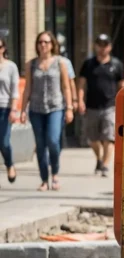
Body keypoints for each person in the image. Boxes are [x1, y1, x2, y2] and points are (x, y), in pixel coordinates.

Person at [20, 31, 74, 191]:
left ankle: (55, 173)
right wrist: (22, 110)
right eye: (40, 42)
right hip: (36, 109)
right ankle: (44, 179)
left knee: (53, 141)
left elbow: (66, 87)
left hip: (55, 108)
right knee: (40, 144)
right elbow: (27, 88)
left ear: (52, 45)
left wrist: (70, 108)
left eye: (46, 42)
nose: (43, 45)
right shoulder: (31, 64)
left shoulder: (60, 63)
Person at [76, 34, 124, 177]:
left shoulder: (116, 64)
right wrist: (80, 100)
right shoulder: (88, 64)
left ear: (110, 47)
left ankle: (104, 165)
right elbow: (81, 84)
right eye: (100, 44)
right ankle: (99, 158)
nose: (102, 48)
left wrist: (123, 103)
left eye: (105, 45)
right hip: (92, 106)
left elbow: (122, 86)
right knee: (93, 139)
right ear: (95, 46)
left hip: (110, 106)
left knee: (109, 136)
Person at [0, 38, 20, 185]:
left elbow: (14, 91)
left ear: (3, 48)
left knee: (4, 142)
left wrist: (14, 109)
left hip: (5, 109)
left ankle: (9, 164)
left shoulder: (11, 67)